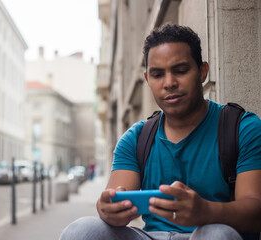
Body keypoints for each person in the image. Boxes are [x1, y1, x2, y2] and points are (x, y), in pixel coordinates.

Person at [60, 24, 261, 240]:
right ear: (148, 80)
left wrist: (206, 211)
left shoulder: (241, 128)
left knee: (217, 234)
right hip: (152, 236)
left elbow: (256, 211)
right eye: (157, 75)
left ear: (202, 71)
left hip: (209, 232)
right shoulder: (137, 138)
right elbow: (114, 201)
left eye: (181, 71)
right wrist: (108, 210)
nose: (169, 83)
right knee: (82, 231)